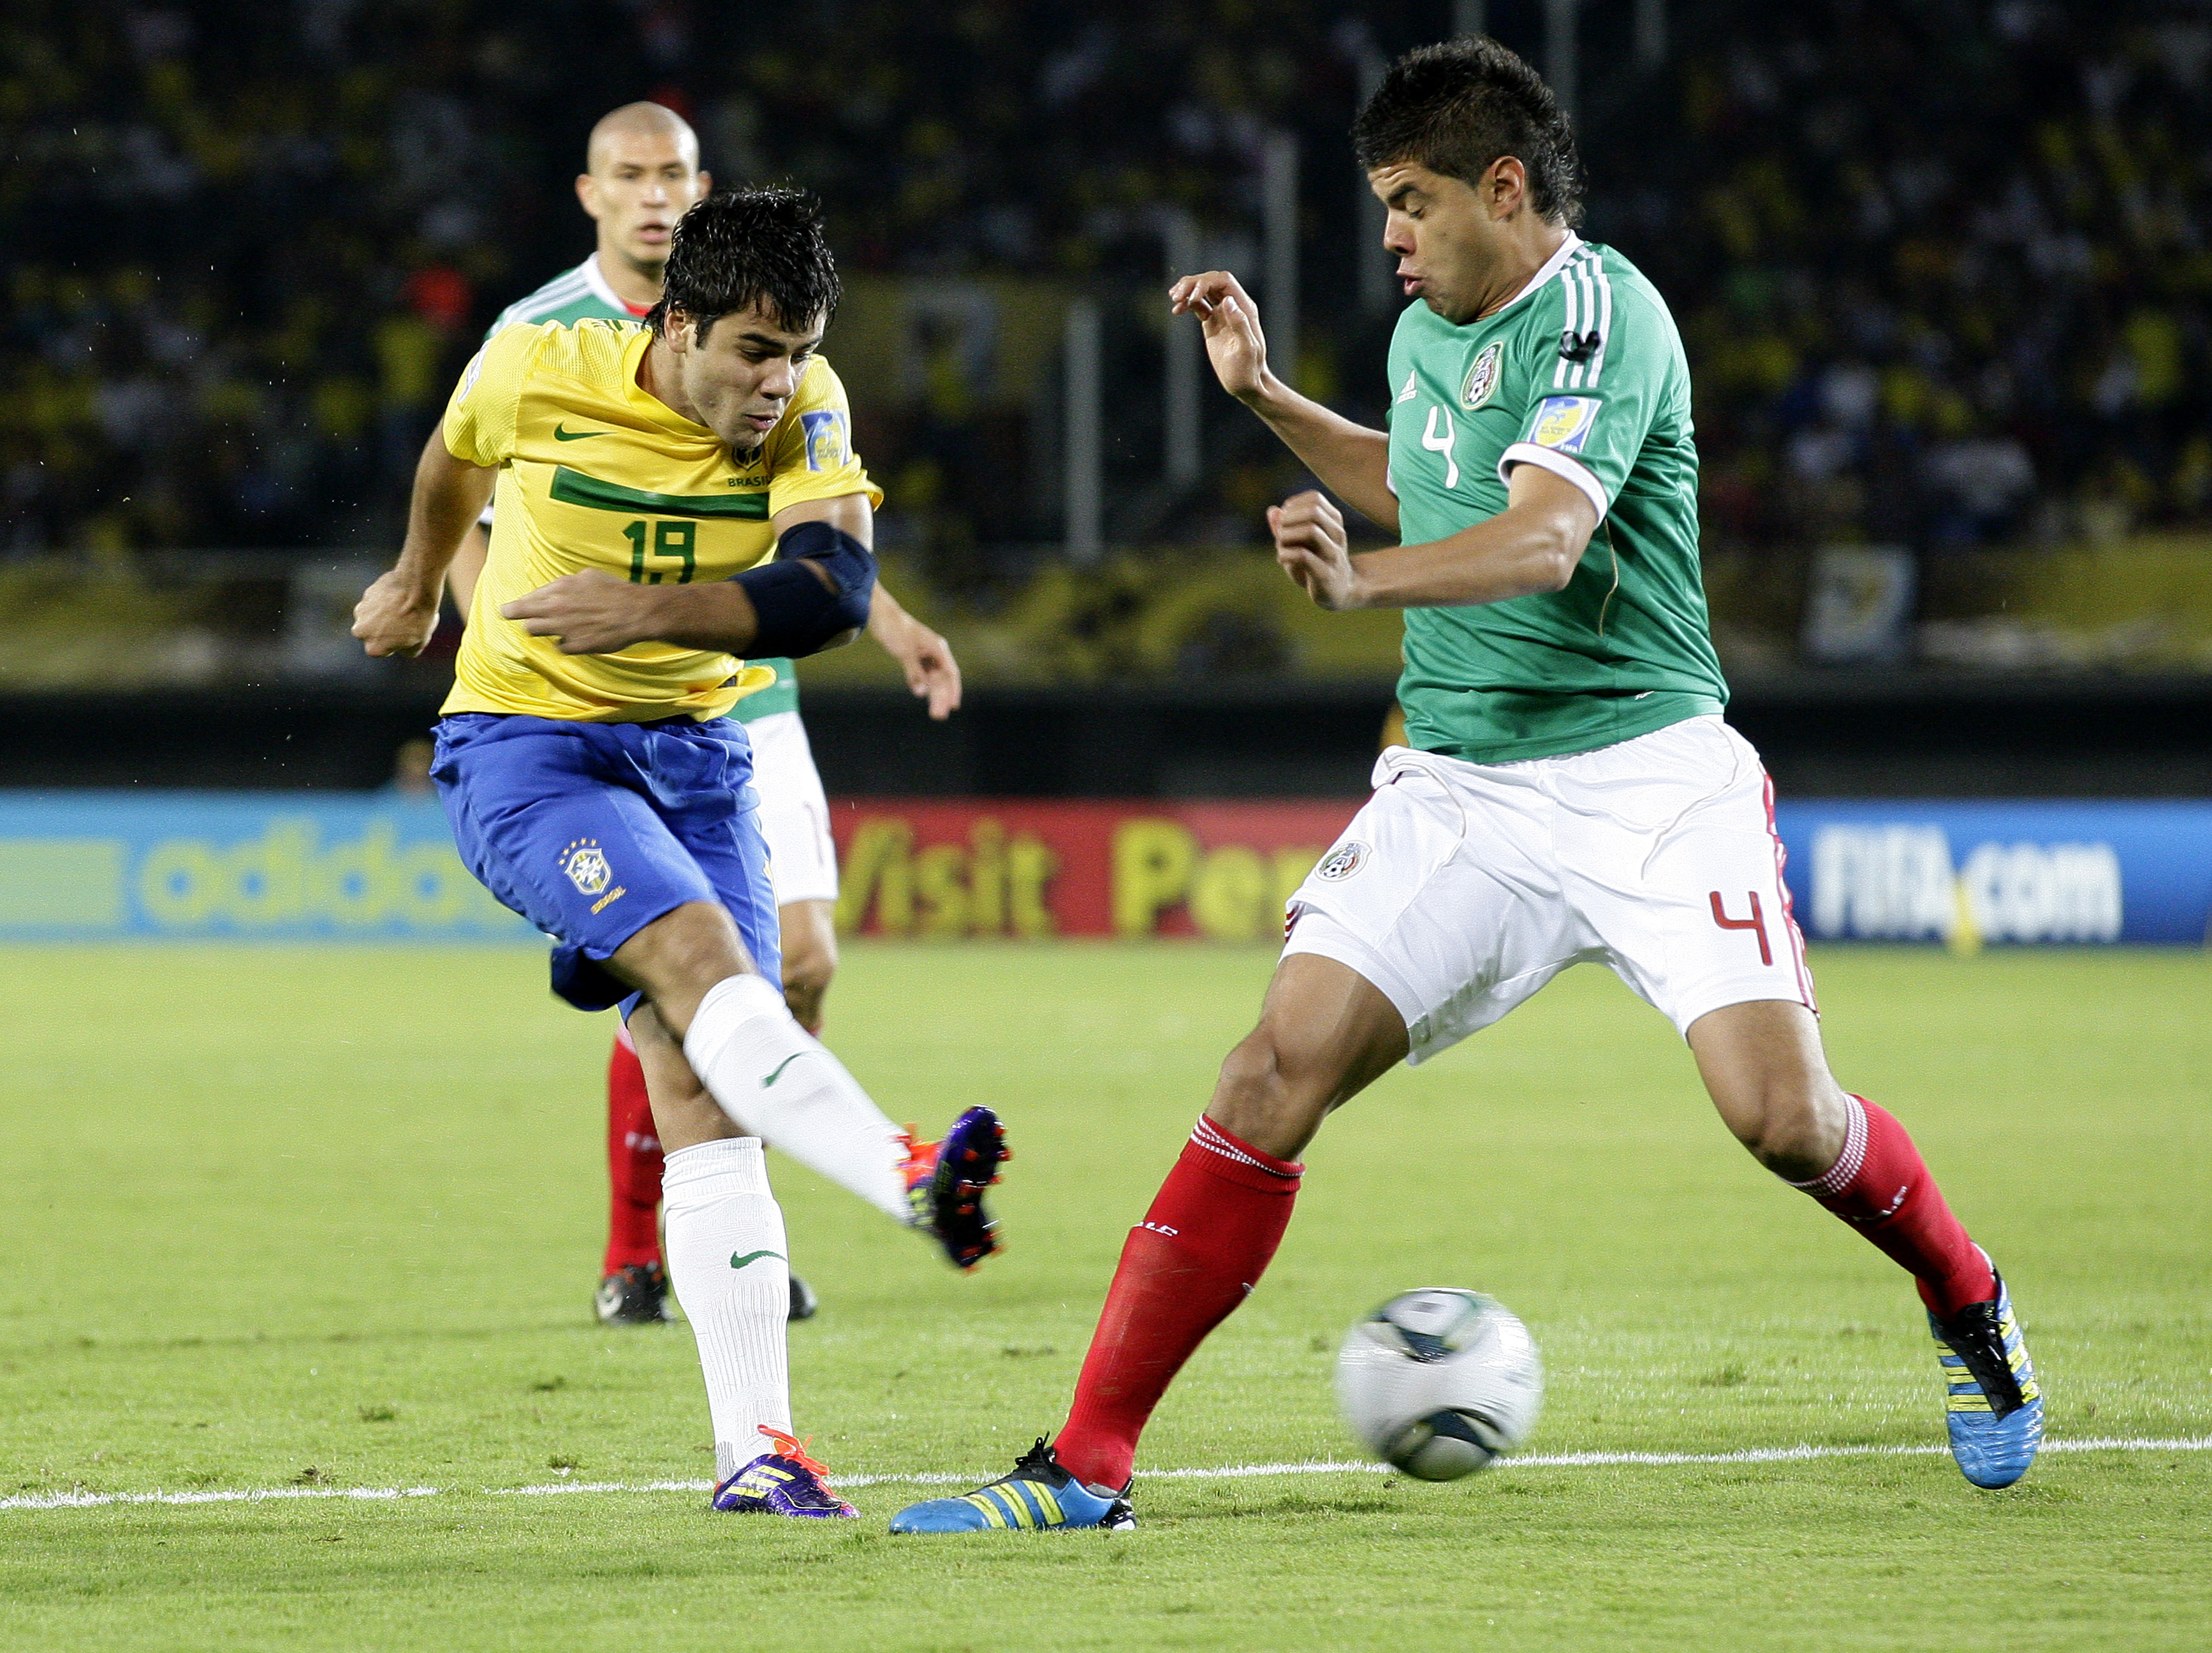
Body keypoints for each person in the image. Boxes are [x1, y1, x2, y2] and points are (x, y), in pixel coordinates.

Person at [891, 39, 2038, 1534]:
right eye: (1384, 205)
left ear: (1506, 188)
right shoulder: (1432, 333)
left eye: (1412, 201)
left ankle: (1967, 1297)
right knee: (1267, 1075)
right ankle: (1087, 1465)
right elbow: (1429, 481)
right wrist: (1267, 400)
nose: (1390, 236)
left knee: (1780, 1117)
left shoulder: (1604, 318)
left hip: (1645, 777)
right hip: (1463, 785)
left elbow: (1545, 538)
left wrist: (1363, 588)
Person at [352, 187, 1005, 1519]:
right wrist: (421, 581)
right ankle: (905, 1171)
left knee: (705, 1091)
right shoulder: (537, 363)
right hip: (530, 749)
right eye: (753, 352)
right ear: (679, 321)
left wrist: (647, 609)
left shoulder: (811, 399)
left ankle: (756, 1454)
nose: (778, 382)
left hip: (700, 762)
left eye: (798, 349)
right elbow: (449, 458)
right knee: (709, 970)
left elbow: (831, 593)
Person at [449, 102, 964, 1327]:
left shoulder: (778, 350)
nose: (652, 193)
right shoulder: (539, 340)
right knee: (688, 968)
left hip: (739, 688)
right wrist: (492, 656)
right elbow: (467, 503)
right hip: (572, 701)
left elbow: (820, 549)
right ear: (590, 193)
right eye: (629, 174)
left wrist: (888, 623)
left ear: (700, 186)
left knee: (793, 966)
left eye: (672, 173)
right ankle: (649, 1245)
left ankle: (733, 1226)